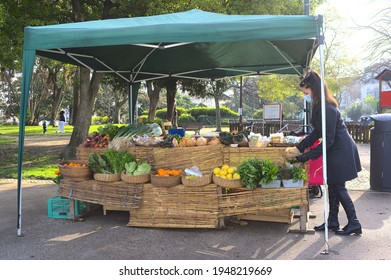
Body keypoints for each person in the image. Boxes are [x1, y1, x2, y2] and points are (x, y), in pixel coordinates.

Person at [292, 70, 362, 235]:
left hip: (341, 150)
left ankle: (354, 222)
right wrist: (301, 146)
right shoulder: (319, 106)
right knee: (332, 187)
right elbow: (317, 132)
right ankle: (332, 222)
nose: (305, 95)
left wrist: (305, 156)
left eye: (306, 92)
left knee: (339, 187)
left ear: (314, 89)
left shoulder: (328, 109)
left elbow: (328, 140)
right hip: (336, 149)